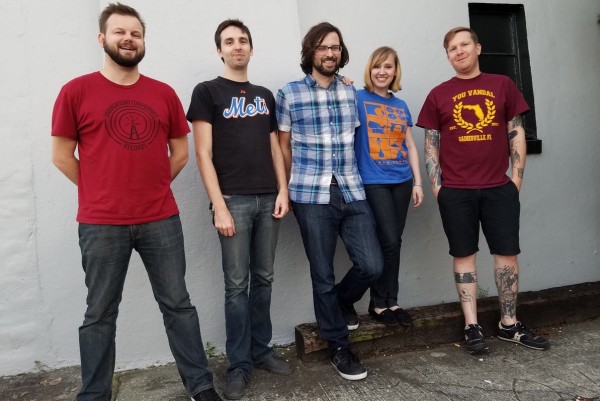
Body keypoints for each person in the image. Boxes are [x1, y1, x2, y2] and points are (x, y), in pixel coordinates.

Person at [51, 3, 220, 401]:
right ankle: (94, 394)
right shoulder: (76, 91)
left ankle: (200, 386)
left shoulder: (163, 93)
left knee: (178, 305)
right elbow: (61, 156)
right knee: (99, 313)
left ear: (143, 41)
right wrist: (99, 190)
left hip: (160, 218)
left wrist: (152, 186)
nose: (128, 39)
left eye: (135, 34)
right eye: (120, 32)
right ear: (102, 38)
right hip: (100, 223)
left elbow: (180, 152)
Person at [416, 26, 550, 354]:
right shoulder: (438, 94)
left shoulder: (502, 85)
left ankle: (509, 324)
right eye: (452, 48)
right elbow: (431, 144)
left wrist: (515, 180)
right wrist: (438, 187)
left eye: (464, 44)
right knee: (463, 256)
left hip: (498, 188)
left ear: (478, 48)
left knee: (506, 255)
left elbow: (516, 133)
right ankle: (471, 326)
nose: (459, 51)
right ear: (448, 56)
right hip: (455, 191)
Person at [186, 19, 292, 400]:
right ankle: (239, 364)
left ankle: (261, 350)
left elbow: (274, 147)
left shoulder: (264, 95)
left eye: (243, 40)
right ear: (219, 50)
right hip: (233, 201)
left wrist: (283, 190)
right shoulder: (207, 92)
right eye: (229, 41)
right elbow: (203, 153)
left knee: (264, 277)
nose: (237, 46)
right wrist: (219, 206)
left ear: (251, 48)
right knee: (236, 286)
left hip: (268, 198)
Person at [276, 22, 383, 381]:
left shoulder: (352, 92)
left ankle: (339, 301)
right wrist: (286, 189)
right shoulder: (289, 93)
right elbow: (282, 147)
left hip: (351, 188)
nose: (330, 53)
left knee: (372, 265)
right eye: (322, 47)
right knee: (321, 273)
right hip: (310, 194)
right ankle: (338, 346)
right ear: (311, 51)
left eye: (335, 47)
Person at [354, 47, 424, 327]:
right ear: (369, 70)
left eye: (388, 67)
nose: (382, 72)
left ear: (395, 71)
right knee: (389, 240)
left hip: (402, 180)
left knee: (395, 241)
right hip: (373, 181)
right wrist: (341, 82)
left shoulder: (401, 105)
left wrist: (418, 182)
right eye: (377, 66)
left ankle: (390, 301)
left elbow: (410, 146)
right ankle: (379, 304)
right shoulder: (357, 98)